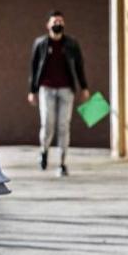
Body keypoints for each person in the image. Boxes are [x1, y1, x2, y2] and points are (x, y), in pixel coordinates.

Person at [28, 10, 89, 176]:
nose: (57, 25)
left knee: (63, 126)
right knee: (47, 124)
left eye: (60, 22)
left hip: (66, 90)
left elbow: (79, 66)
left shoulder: (71, 44)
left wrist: (84, 87)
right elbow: (34, 68)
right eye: (54, 22)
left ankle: (62, 162)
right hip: (46, 89)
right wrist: (32, 90)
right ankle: (44, 151)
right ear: (48, 25)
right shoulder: (40, 44)